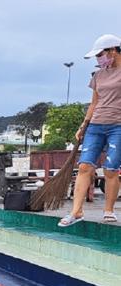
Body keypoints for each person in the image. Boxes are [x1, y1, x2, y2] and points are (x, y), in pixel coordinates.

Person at [60, 34, 121, 226]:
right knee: (85, 166)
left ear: (113, 50)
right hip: (96, 125)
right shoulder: (98, 75)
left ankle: (108, 210)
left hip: (118, 126)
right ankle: (76, 212)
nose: (98, 59)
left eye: (100, 54)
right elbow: (94, 102)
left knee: (111, 170)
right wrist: (83, 125)